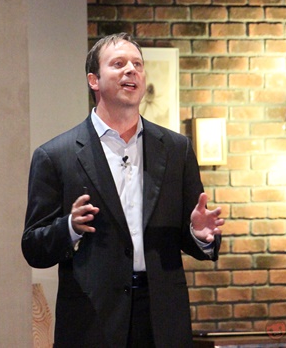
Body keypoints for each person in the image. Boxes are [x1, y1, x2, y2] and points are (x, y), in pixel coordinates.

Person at [22, 33, 225, 347]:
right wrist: (70, 227)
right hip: (93, 321)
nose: (131, 70)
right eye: (118, 64)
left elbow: (192, 237)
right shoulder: (55, 156)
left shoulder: (176, 149)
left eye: (137, 65)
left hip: (162, 319)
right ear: (94, 80)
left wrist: (199, 234)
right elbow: (34, 247)